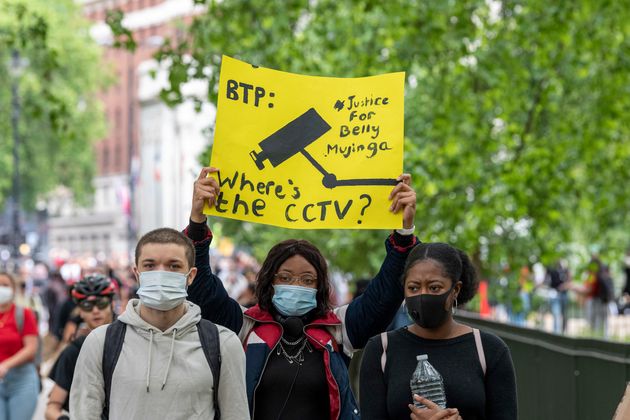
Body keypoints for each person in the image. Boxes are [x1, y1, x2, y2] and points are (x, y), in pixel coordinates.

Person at [185, 167, 419, 419]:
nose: (296, 284)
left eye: (307, 279)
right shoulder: (243, 325)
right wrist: (197, 223)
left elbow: (383, 296)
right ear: (268, 281)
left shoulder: (338, 329)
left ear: (319, 287)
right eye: (285, 278)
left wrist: (403, 234)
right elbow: (203, 290)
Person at [70, 228, 249, 419]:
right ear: (137, 274)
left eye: (173, 266)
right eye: (150, 265)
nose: (161, 273)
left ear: (191, 275)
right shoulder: (101, 342)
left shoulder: (223, 344)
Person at [359, 243, 517, 420]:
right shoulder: (380, 351)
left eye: (434, 288)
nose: (422, 295)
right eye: (413, 288)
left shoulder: (489, 350)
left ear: (455, 290)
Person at [45, 274, 116, 420]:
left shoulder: (130, 340)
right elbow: (52, 407)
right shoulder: (74, 351)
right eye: (87, 306)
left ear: (112, 304)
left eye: (101, 303)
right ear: (80, 312)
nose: (95, 310)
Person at [0, 271, 40, 420]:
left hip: (22, 380)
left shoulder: (23, 314)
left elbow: (31, 348)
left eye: (5, 285)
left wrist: (5, 365)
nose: (1, 289)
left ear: (13, 289)